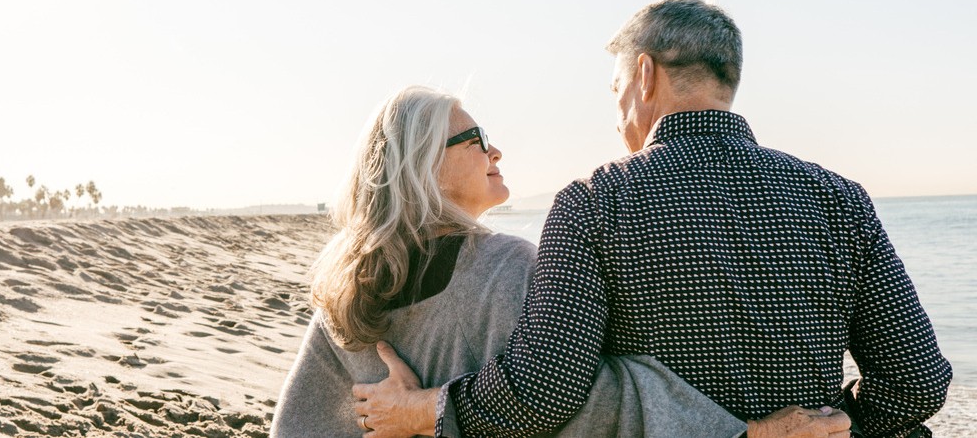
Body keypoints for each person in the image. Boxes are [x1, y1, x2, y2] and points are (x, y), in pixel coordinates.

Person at [354, 0, 951, 438]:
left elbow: (545, 389)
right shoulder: (838, 197)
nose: (618, 116)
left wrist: (423, 410)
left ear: (643, 76)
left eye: (616, 90)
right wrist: (840, 423)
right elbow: (919, 379)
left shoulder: (596, 200)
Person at [271, 86, 848, 438]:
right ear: (422, 165)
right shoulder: (508, 268)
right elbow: (592, 402)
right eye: (474, 139)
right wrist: (743, 434)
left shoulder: (343, 289)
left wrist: (405, 415)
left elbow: (299, 425)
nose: (495, 150)